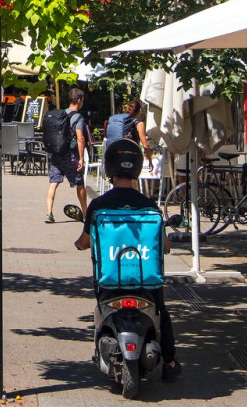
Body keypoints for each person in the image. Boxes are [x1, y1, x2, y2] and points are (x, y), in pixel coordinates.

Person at [74, 137, 181, 381]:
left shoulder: (99, 205)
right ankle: (171, 361)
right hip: (146, 282)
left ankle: (100, 349)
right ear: (136, 168)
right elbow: (164, 246)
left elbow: (85, 241)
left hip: (111, 281)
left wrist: (78, 245)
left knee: (102, 308)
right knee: (161, 312)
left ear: (109, 168)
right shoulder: (148, 205)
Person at [44, 86, 90, 224]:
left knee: (54, 182)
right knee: (79, 184)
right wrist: (81, 158)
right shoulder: (78, 117)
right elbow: (80, 138)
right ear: (80, 100)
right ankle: (86, 213)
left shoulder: (60, 114)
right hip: (71, 154)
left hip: (57, 153)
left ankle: (48, 213)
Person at [105, 95, 151, 162]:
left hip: (113, 154)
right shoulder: (139, 123)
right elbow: (145, 145)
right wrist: (150, 160)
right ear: (138, 112)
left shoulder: (119, 120)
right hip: (130, 157)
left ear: (127, 108)